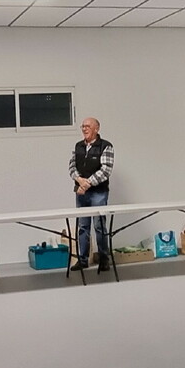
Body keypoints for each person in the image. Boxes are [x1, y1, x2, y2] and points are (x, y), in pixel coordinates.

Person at [68, 117, 114, 273]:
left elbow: (106, 170)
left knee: (99, 226)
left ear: (96, 129)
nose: (84, 129)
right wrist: (79, 180)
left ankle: (104, 259)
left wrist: (87, 183)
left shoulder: (105, 146)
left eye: (87, 126)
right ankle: (82, 260)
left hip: (98, 193)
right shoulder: (78, 146)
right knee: (83, 227)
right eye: (83, 126)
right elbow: (72, 166)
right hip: (81, 193)